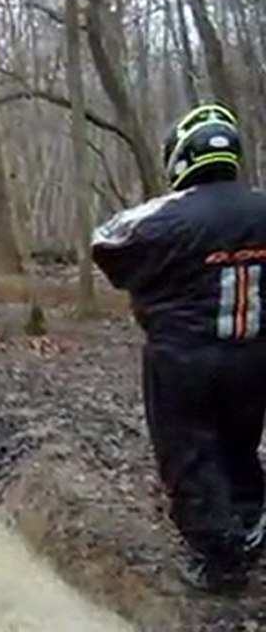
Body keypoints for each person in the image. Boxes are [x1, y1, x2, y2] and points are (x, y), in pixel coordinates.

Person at [92, 101, 266, 593]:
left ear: (182, 156)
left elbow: (107, 244)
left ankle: (220, 561)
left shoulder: (164, 217)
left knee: (188, 453)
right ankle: (248, 524)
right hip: (254, 355)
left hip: (182, 359)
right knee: (240, 444)